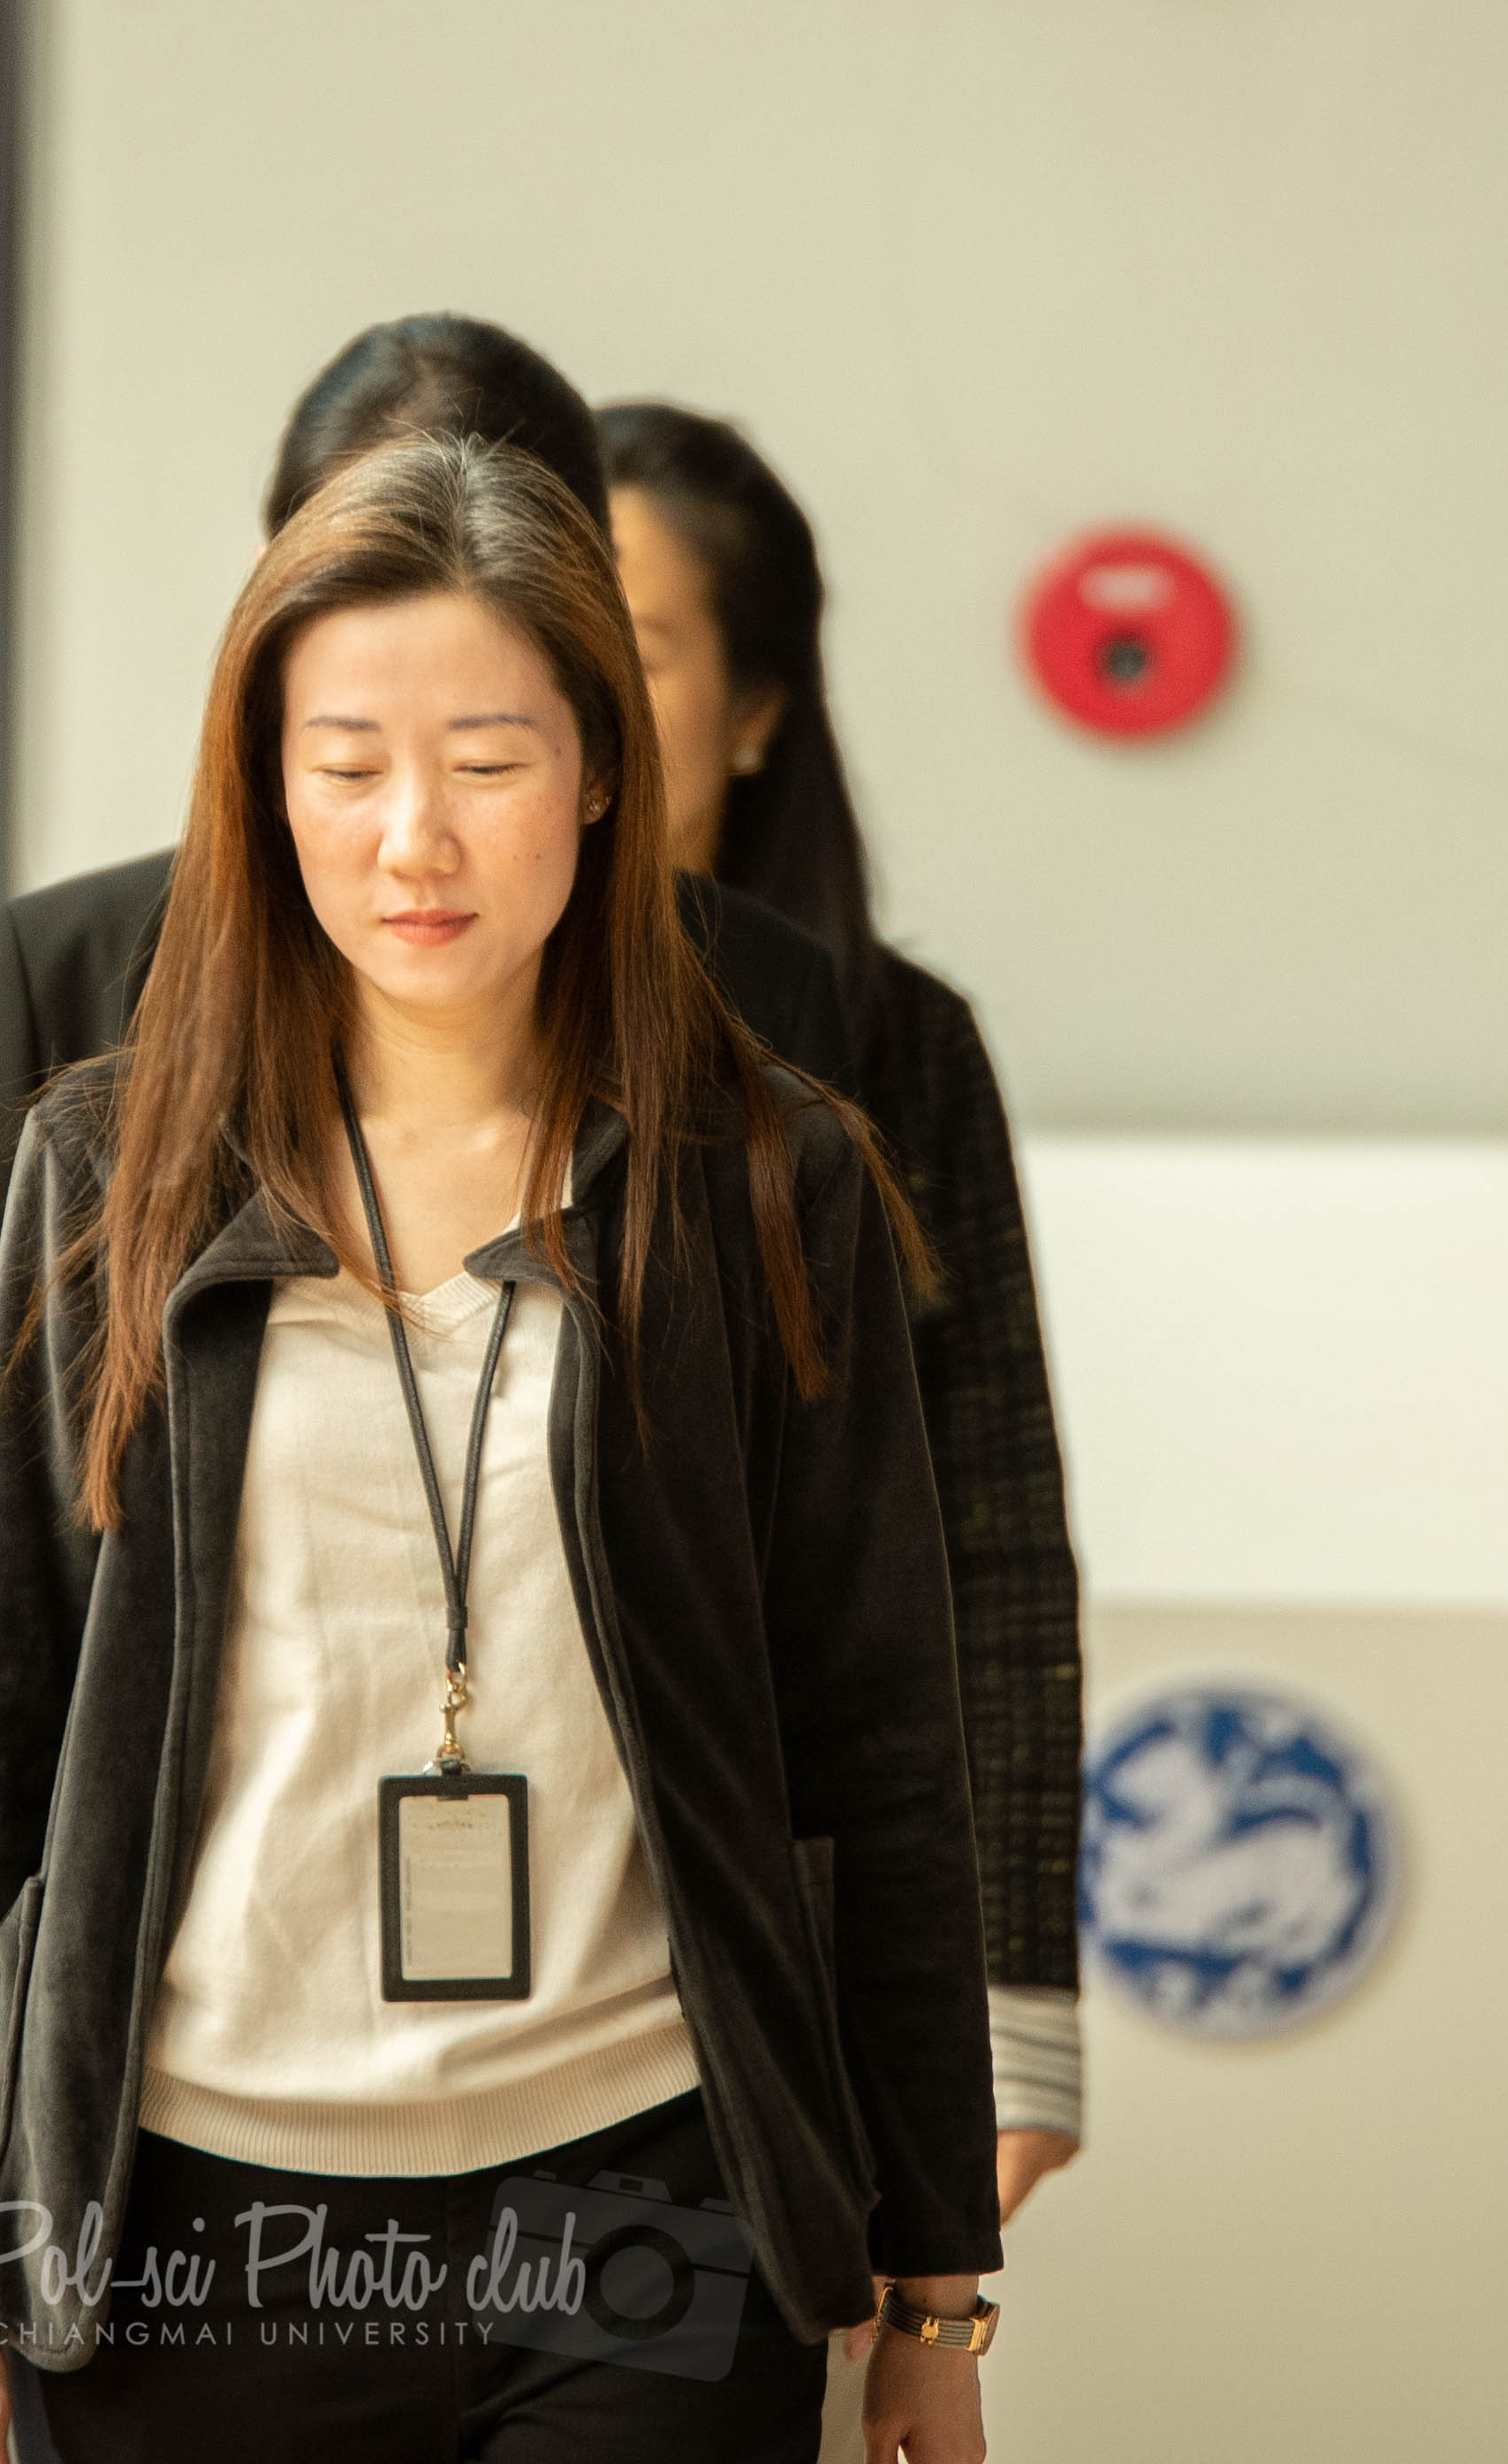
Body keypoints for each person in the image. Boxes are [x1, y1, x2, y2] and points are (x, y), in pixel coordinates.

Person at [0, 436, 1000, 2462]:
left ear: (600, 772)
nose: (416, 839)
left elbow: (883, 1739)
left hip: (635, 2175)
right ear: (264, 786)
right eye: (347, 764)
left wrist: (932, 2273)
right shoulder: (112, 1170)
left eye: (487, 761)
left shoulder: (768, 1179)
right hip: (200, 2213)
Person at [599, 403, 1089, 2226]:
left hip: (787, 1949)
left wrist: (1012, 2011)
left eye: (637, 646)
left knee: (719, 2352)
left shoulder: (891, 1045)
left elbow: (990, 1534)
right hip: (454, 1961)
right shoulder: (393, 1050)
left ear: (755, 706)